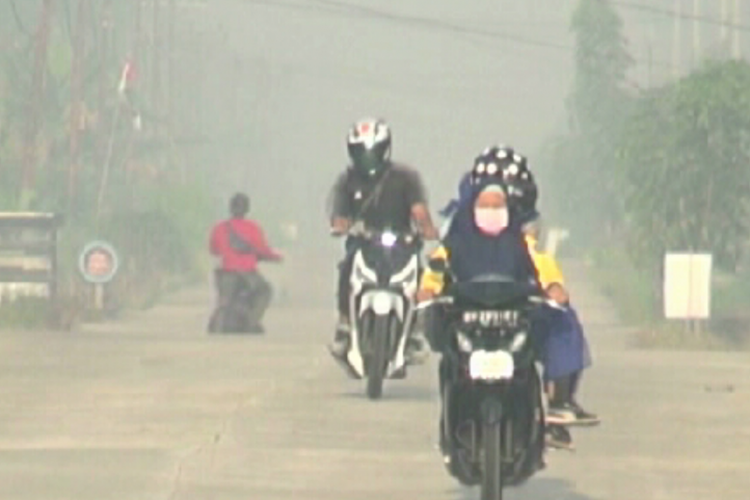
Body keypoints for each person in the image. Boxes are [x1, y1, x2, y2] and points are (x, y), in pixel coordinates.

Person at [328, 117, 439, 362]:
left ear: (384, 149)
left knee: (421, 276)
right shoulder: (347, 181)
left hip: (403, 244)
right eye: (361, 152)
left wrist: (427, 229)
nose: (366, 158)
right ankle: (345, 325)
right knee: (346, 269)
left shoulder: (405, 177)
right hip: (363, 244)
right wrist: (341, 225)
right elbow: (338, 214)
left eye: (371, 152)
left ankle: (414, 330)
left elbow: (419, 209)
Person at [209, 192, 283, 333]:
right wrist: (276, 257)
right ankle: (252, 321)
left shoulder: (219, 228)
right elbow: (262, 251)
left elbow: (213, 250)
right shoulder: (252, 228)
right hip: (248, 274)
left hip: (226, 273)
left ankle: (221, 319)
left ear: (230, 208)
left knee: (223, 300)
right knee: (265, 291)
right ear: (247, 209)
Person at [535, 282, 599, 426]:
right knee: (561, 373)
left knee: (572, 372)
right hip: (558, 357)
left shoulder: (566, 311)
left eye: (563, 292)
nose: (562, 294)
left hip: (573, 355)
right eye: (557, 292)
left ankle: (567, 401)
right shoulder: (546, 312)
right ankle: (558, 402)